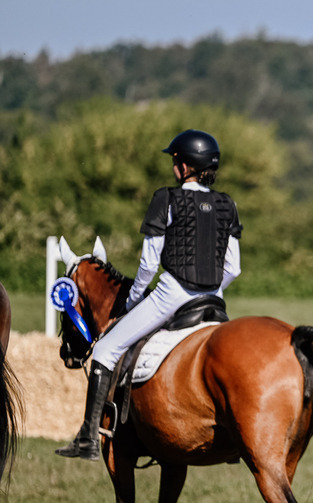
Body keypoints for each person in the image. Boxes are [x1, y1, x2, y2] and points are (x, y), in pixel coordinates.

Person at [56, 130, 243, 461]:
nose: (174, 166)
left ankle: (87, 438)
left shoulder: (166, 199)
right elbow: (234, 267)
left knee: (107, 348)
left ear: (185, 167)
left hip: (171, 295)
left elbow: (148, 264)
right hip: (214, 301)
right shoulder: (228, 204)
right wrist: (212, 290)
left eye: (176, 161)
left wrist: (133, 299)